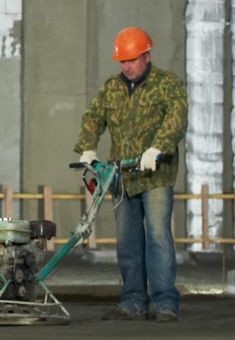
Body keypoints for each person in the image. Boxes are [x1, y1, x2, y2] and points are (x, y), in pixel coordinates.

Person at [74, 26, 188, 322]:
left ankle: (165, 302)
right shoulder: (112, 87)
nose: (126, 66)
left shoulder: (167, 85)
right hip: (121, 177)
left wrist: (157, 148)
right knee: (127, 242)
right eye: (122, 61)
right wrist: (87, 148)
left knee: (158, 238)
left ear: (147, 56)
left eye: (132, 60)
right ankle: (133, 301)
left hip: (156, 176)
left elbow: (177, 119)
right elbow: (93, 117)